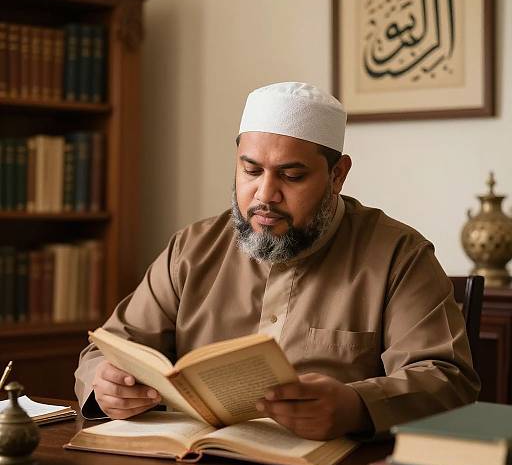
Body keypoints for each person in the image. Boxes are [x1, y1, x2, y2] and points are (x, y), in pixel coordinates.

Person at [75, 82, 479, 440]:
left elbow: (447, 379)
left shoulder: (398, 255)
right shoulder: (192, 248)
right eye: (250, 170)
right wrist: (106, 385)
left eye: (292, 176)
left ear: (338, 174)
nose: (265, 194)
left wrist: (356, 406)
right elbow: (108, 350)